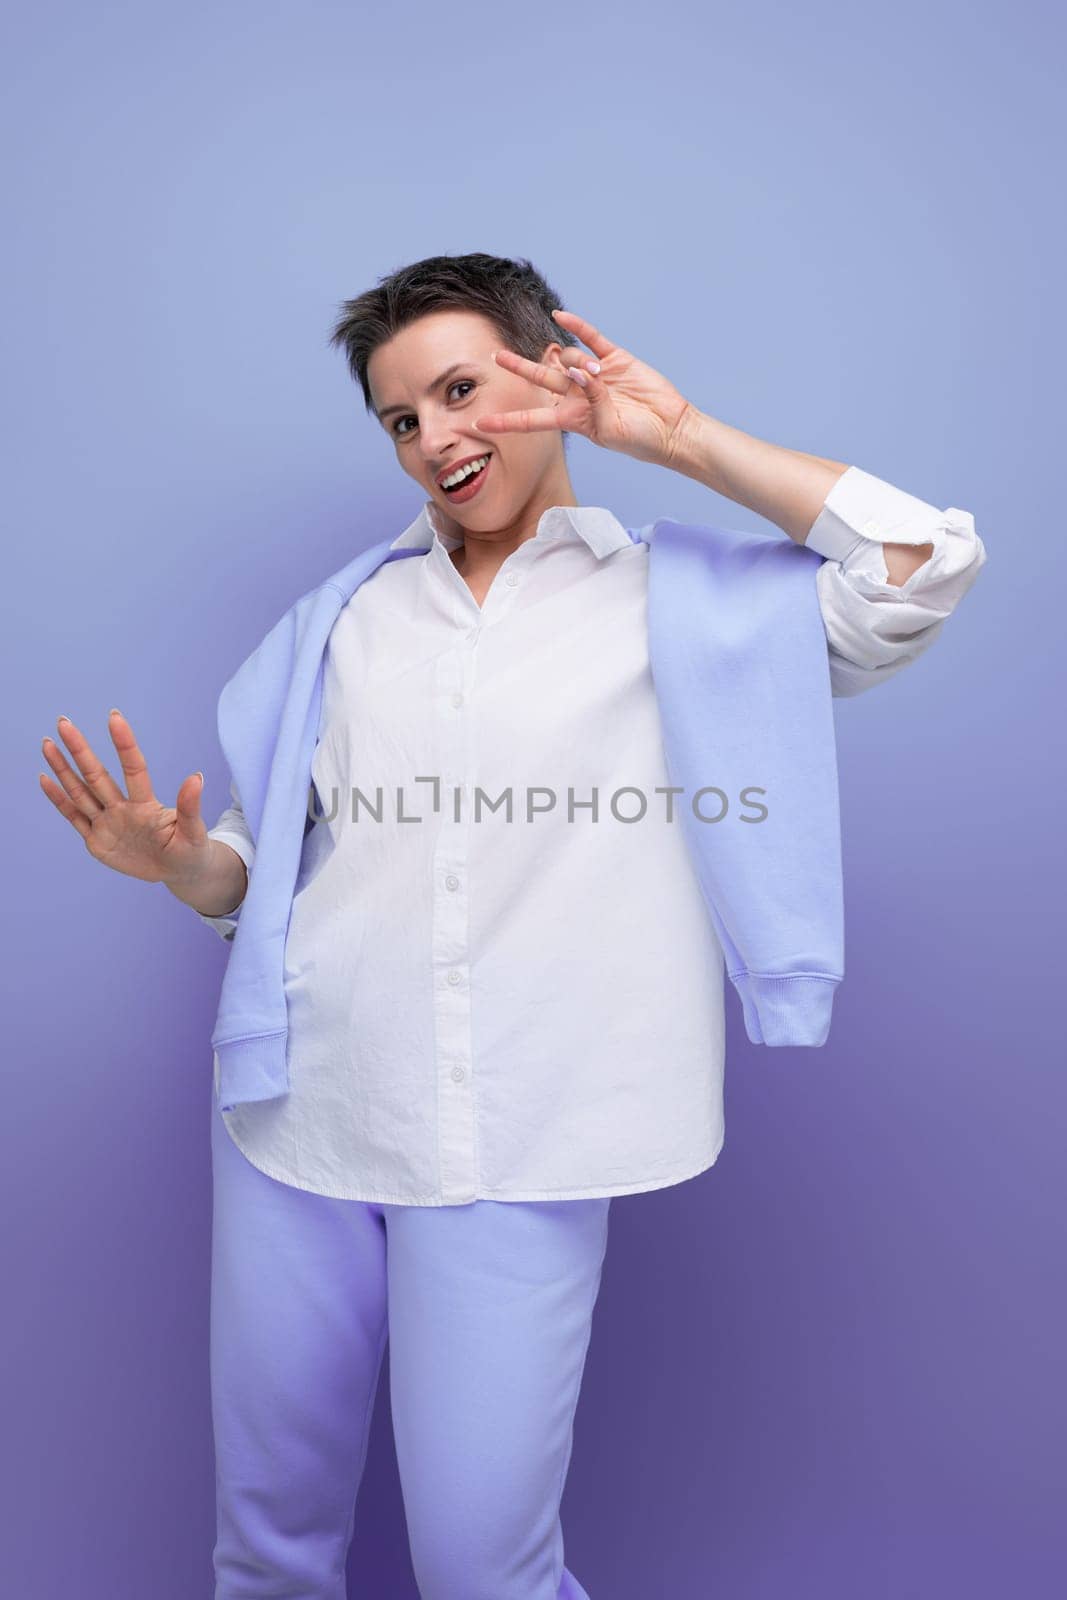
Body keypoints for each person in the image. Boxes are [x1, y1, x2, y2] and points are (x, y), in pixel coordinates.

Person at [39, 253, 987, 1600]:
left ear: (550, 374)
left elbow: (922, 565)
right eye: (401, 420)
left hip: (523, 1137)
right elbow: (272, 860)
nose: (433, 440)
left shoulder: (686, 603)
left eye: (461, 389)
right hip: (294, 1118)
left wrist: (680, 440)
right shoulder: (346, 619)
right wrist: (188, 869)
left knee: (489, 1567)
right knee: (266, 1545)